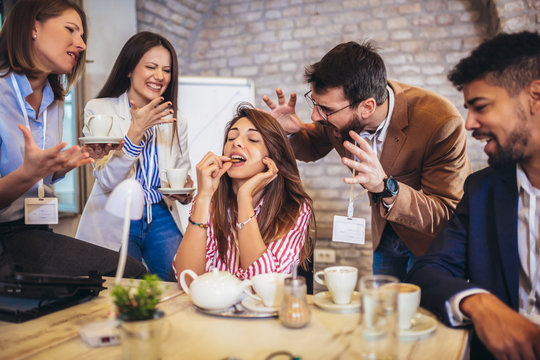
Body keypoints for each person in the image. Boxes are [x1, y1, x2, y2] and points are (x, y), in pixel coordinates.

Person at [263, 41, 471, 280]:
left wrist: (386, 186)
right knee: (382, 309)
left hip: (432, 244)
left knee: (422, 313)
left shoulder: (440, 122)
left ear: (367, 107)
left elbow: (446, 212)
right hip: (384, 233)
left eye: (325, 110)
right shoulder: (337, 115)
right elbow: (312, 146)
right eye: (315, 103)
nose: (314, 116)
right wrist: (289, 131)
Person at [406, 31, 540, 359]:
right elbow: (427, 271)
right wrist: (478, 301)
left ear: (535, 96)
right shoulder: (481, 189)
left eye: (480, 107)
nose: (468, 124)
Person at [0, 0, 146, 278]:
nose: (81, 44)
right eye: (71, 30)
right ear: (33, 28)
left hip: (35, 232)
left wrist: (58, 168)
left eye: (82, 36)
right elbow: (24, 174)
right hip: (7, 237)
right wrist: (28, 174)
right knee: (130, 273)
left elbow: (38, 175)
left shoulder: (53, 100)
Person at [76, 32, 191, 282]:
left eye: (166, 70)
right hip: (116, 211)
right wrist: (135, 132)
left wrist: (184, 192)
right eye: (151, 67)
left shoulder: (176, 118)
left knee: (181, 280)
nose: (160, 76)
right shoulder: (100, 110)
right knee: (120, 285)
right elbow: (107, 180)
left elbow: (181, 172)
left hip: (159, 211)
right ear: (129, 69)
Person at [174, 105, 314, 281]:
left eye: (253, 139)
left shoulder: (296, 207)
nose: (236, 142)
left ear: (273, 155)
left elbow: (266, 284)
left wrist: (244, 199)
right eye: (231, 137)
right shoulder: (210, 200)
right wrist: (203, 197)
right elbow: (188, 279)